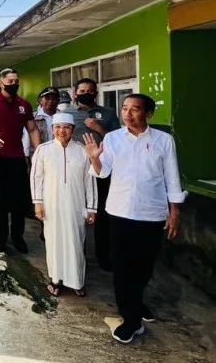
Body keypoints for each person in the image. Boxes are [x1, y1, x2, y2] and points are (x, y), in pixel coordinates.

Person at [84, 93, 186, 344]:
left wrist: (175, 212)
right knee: (122, 266)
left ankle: (136, 303)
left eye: (135, 109)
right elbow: (102, 172)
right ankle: (131, 320)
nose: (127, 114)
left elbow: (172, 178)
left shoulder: (164, 140)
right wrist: (95, 157)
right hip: (119, 212)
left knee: (144, 265)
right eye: (124, 108)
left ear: (148, 113)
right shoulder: (113, 138)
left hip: (151, 213)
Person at [31, 113, 97, 297]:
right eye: (58, 127)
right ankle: (55, 280)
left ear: (72, 130)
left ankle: (77, 281)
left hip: (76, 206)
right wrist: (38, 203)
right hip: (51, 205)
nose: (62, 131)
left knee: (76, 242)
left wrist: (91, 207)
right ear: (52, 129)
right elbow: (36, 179)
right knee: (53, 242)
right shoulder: (43, 150)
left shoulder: (82, 150)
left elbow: (89, 181)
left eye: (66, 127)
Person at [0, 68, 40, 253]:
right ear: (0, 83)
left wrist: (39, 152)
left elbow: (32, 129)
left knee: (20, 203)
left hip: (17, 158)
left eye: (16, 81)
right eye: (10, 81)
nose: (14, 84)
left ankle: (17, 237)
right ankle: (0, 238)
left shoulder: (24, 105)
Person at [63, 78, 122, 271]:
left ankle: (103, 256)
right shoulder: (67, 113)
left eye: (90, 90)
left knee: (102, 215)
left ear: (96, 93)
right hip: (75, 170)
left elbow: (119, 140)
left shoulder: (107, 113)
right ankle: (78, 255)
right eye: (82, 90)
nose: (85, 93)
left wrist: (99, 128)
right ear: (75, 92)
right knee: (75, 211)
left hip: (101, 170)